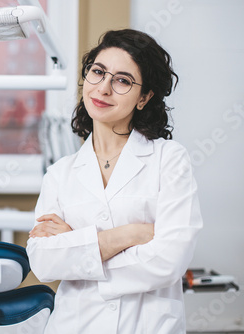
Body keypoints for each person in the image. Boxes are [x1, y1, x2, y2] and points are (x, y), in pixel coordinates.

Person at [27, 29, 203, 334]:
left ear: (144, 97)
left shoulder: (169, 159)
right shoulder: (60, 173)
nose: (104, 88)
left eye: (122, 80)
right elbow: (43, 262)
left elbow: (168, 261)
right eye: (98, 72)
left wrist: (77, 247)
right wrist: (129, 235)